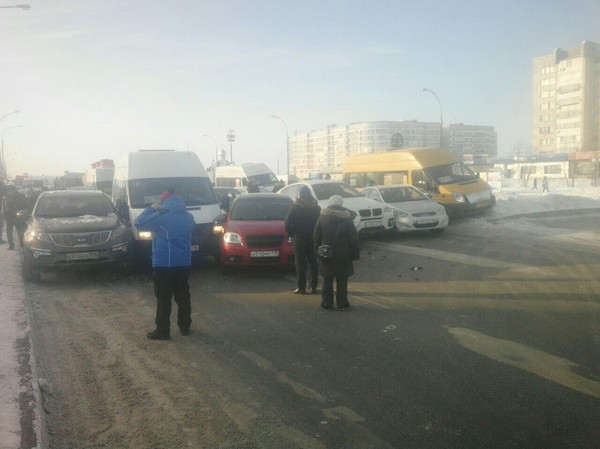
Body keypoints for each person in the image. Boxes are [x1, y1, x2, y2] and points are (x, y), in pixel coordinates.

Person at [134, 188, 196, 340]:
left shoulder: (161, 215)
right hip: (183, 263)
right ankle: (185, 326)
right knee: (183, 296)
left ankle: (163, 331)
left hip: (164, 264)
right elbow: (191, 229)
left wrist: (151, 209)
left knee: (163, 298)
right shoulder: (189, 216)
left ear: (164, 201)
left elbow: (138, 223)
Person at [313, 195, 360, 310]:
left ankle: (326, 303)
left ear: (329, 203)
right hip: (344, 255)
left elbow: (316, 235)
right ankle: (342, 304)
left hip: (326, 253)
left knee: (327, 280)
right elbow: (353, 238)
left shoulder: (322, 217)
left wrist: (317, 251)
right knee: (342, 280)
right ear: (341, 204)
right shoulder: (347, 218)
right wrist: (355, 254)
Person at [285, 186, 321, 295]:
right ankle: (313, 287)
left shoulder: (295, 207)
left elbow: (287, 222)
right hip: (313, 238)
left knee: (300, 263)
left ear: (300, 194)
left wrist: (291, 234)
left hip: (299, 238)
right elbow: (320, 223)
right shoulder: (316, 208)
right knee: (313, 262)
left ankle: (301, 288)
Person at [1, 185, 29, 250]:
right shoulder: (5, 198)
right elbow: (3, 208)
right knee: (9, 232)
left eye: (12, 190)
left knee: (20, 231)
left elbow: (26, 205)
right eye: (9, 191)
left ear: (15, 190)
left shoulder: (21, 196)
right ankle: (11, 245)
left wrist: (24, 213)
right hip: (9, 217)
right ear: (8, 191)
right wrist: (4, 214)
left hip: (18, 216)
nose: (11, 192)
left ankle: (22, 244)